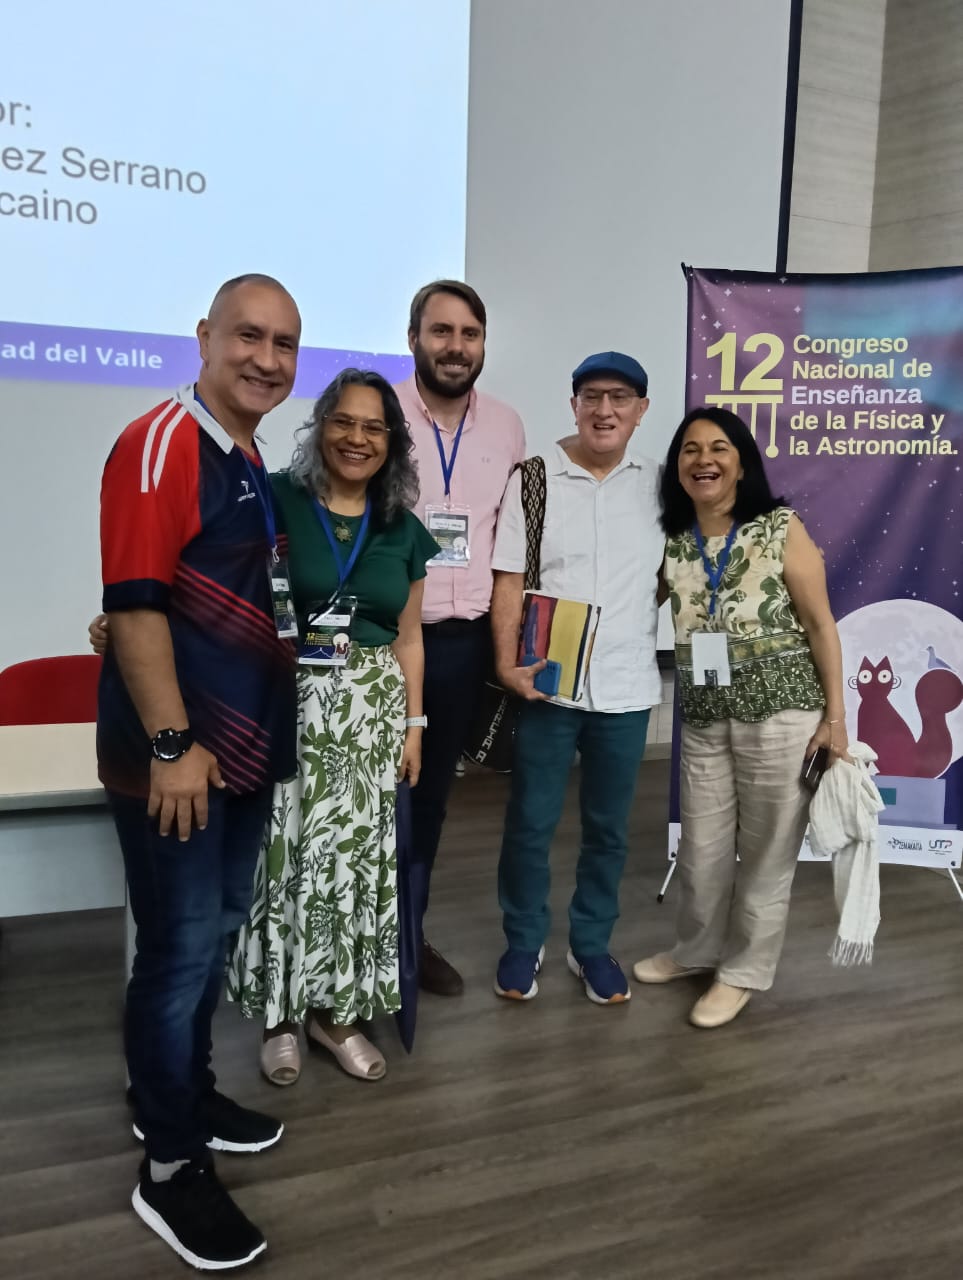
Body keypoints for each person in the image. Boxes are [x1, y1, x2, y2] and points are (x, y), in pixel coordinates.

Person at [97, 274, 301, 1270]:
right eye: (248, 336)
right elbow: (135, 608)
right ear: (204, 336)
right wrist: (173, 745)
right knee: (178, 952)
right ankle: (169, 1162)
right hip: (179, 763)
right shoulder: (163, 442)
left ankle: (183, 1088)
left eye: (284, 343)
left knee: (212, 933)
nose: (267, 358)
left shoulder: (248, 455)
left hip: (240, 757)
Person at [227, 369, 438, 1085]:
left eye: (374, 427)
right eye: (343, 422)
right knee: (284, 860)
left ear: (392, 442)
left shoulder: (401, 528)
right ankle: (282, 1016)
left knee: (355, 867)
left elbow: (408, 636)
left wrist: (413, 726)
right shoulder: (277, 499)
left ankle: (337, 1014)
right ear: (320, 426)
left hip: (370, 715)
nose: (357, 438)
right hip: (285, 704)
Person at [633, 406, 850, 1028]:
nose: (704, 460)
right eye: (690, 450)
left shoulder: (780, 528)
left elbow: (819, 624)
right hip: (702, 717)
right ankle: (697, 952)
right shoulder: (670, 540)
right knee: (700, 850)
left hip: (782, 718)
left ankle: (743, 972)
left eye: (719, 449)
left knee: (766, 855)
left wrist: (835, 720)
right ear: (676, 467)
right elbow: (623, 601)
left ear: (741, 463)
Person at [490, 352, 664, 1004]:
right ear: (572, 405)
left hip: (625, 689)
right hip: (547, 683)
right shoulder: (534, 478)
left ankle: (590, 944)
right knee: (529, 823)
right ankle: (522, 940)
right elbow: (508, 578)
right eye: (591, 396)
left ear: (640, 410)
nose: (604, 410)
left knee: (608, 829)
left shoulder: (659, 484)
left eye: (619, 398)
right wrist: (506, 661)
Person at [394, 281, 526, 996]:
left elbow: (511, 540)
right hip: (383, 641)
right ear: (413, 336)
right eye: (440, 331)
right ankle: (353, 942)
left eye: (468, 333)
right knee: (365, 795)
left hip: (461, 643)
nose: (454, 346)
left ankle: (407, 939)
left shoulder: (506, 426)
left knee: (429, 797)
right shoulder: (377, 414)